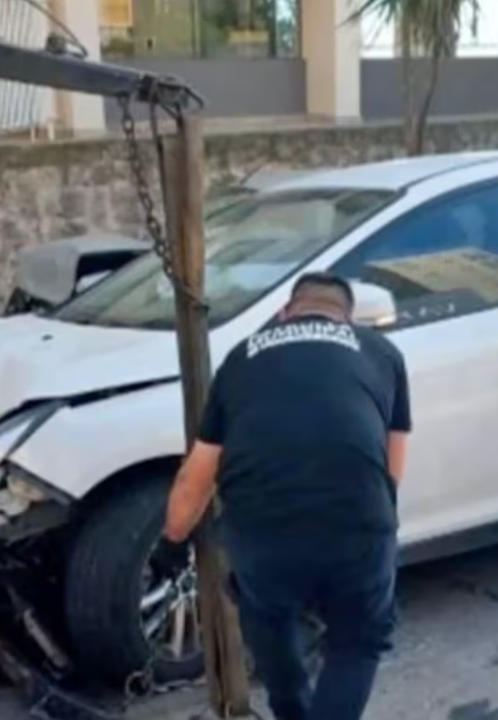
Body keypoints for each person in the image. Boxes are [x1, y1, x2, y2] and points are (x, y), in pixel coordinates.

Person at [157, 272, 411, 720]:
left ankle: (291, 709)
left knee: (268, 619)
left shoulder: (241, 358)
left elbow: (195, 476)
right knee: (358, 640)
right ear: (347, 318)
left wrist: (171, 544)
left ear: (285, 313)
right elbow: (392, 471)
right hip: (355, 519)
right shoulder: (382, 353)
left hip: (261, 529)